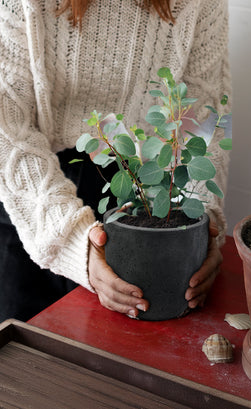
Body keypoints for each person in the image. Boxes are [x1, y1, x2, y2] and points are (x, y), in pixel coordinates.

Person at [0, 0, 231, 322]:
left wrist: (199, 228)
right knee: (26, 359)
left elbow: (200, 119)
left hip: (139, 194)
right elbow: (9, 128)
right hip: (32, 194)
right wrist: (72, 243)